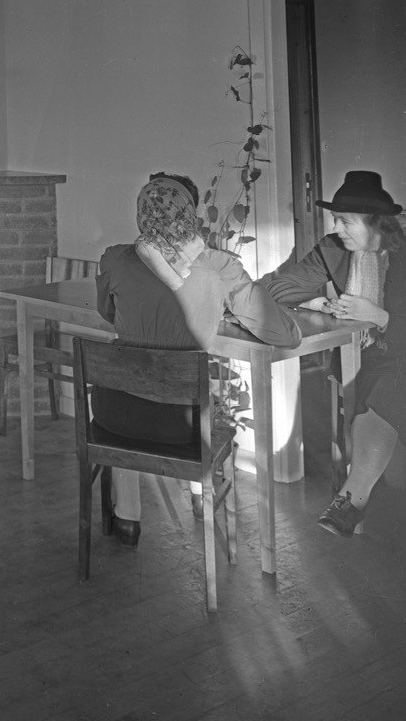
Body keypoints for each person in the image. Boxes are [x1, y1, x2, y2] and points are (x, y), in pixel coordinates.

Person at [94, 174, 300, 546]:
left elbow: (108, 313)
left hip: (114, 414)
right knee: (185, 399)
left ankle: (127, 518)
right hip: (182, 425)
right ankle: (199, 498)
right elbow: (283, 334)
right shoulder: (221, 267)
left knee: (131, 388)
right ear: (191, 214)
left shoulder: (116, 259)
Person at [261, 170, 404, 537]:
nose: (337, 228)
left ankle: (351, 501)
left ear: (375, 223)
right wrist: (317, 302)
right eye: (335, 219)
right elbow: (276, 289)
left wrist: (380, 317)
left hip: (400, 358)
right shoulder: (333, 248)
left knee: (390, 388)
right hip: (362, 358)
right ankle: (353, 500)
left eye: (345, 221)